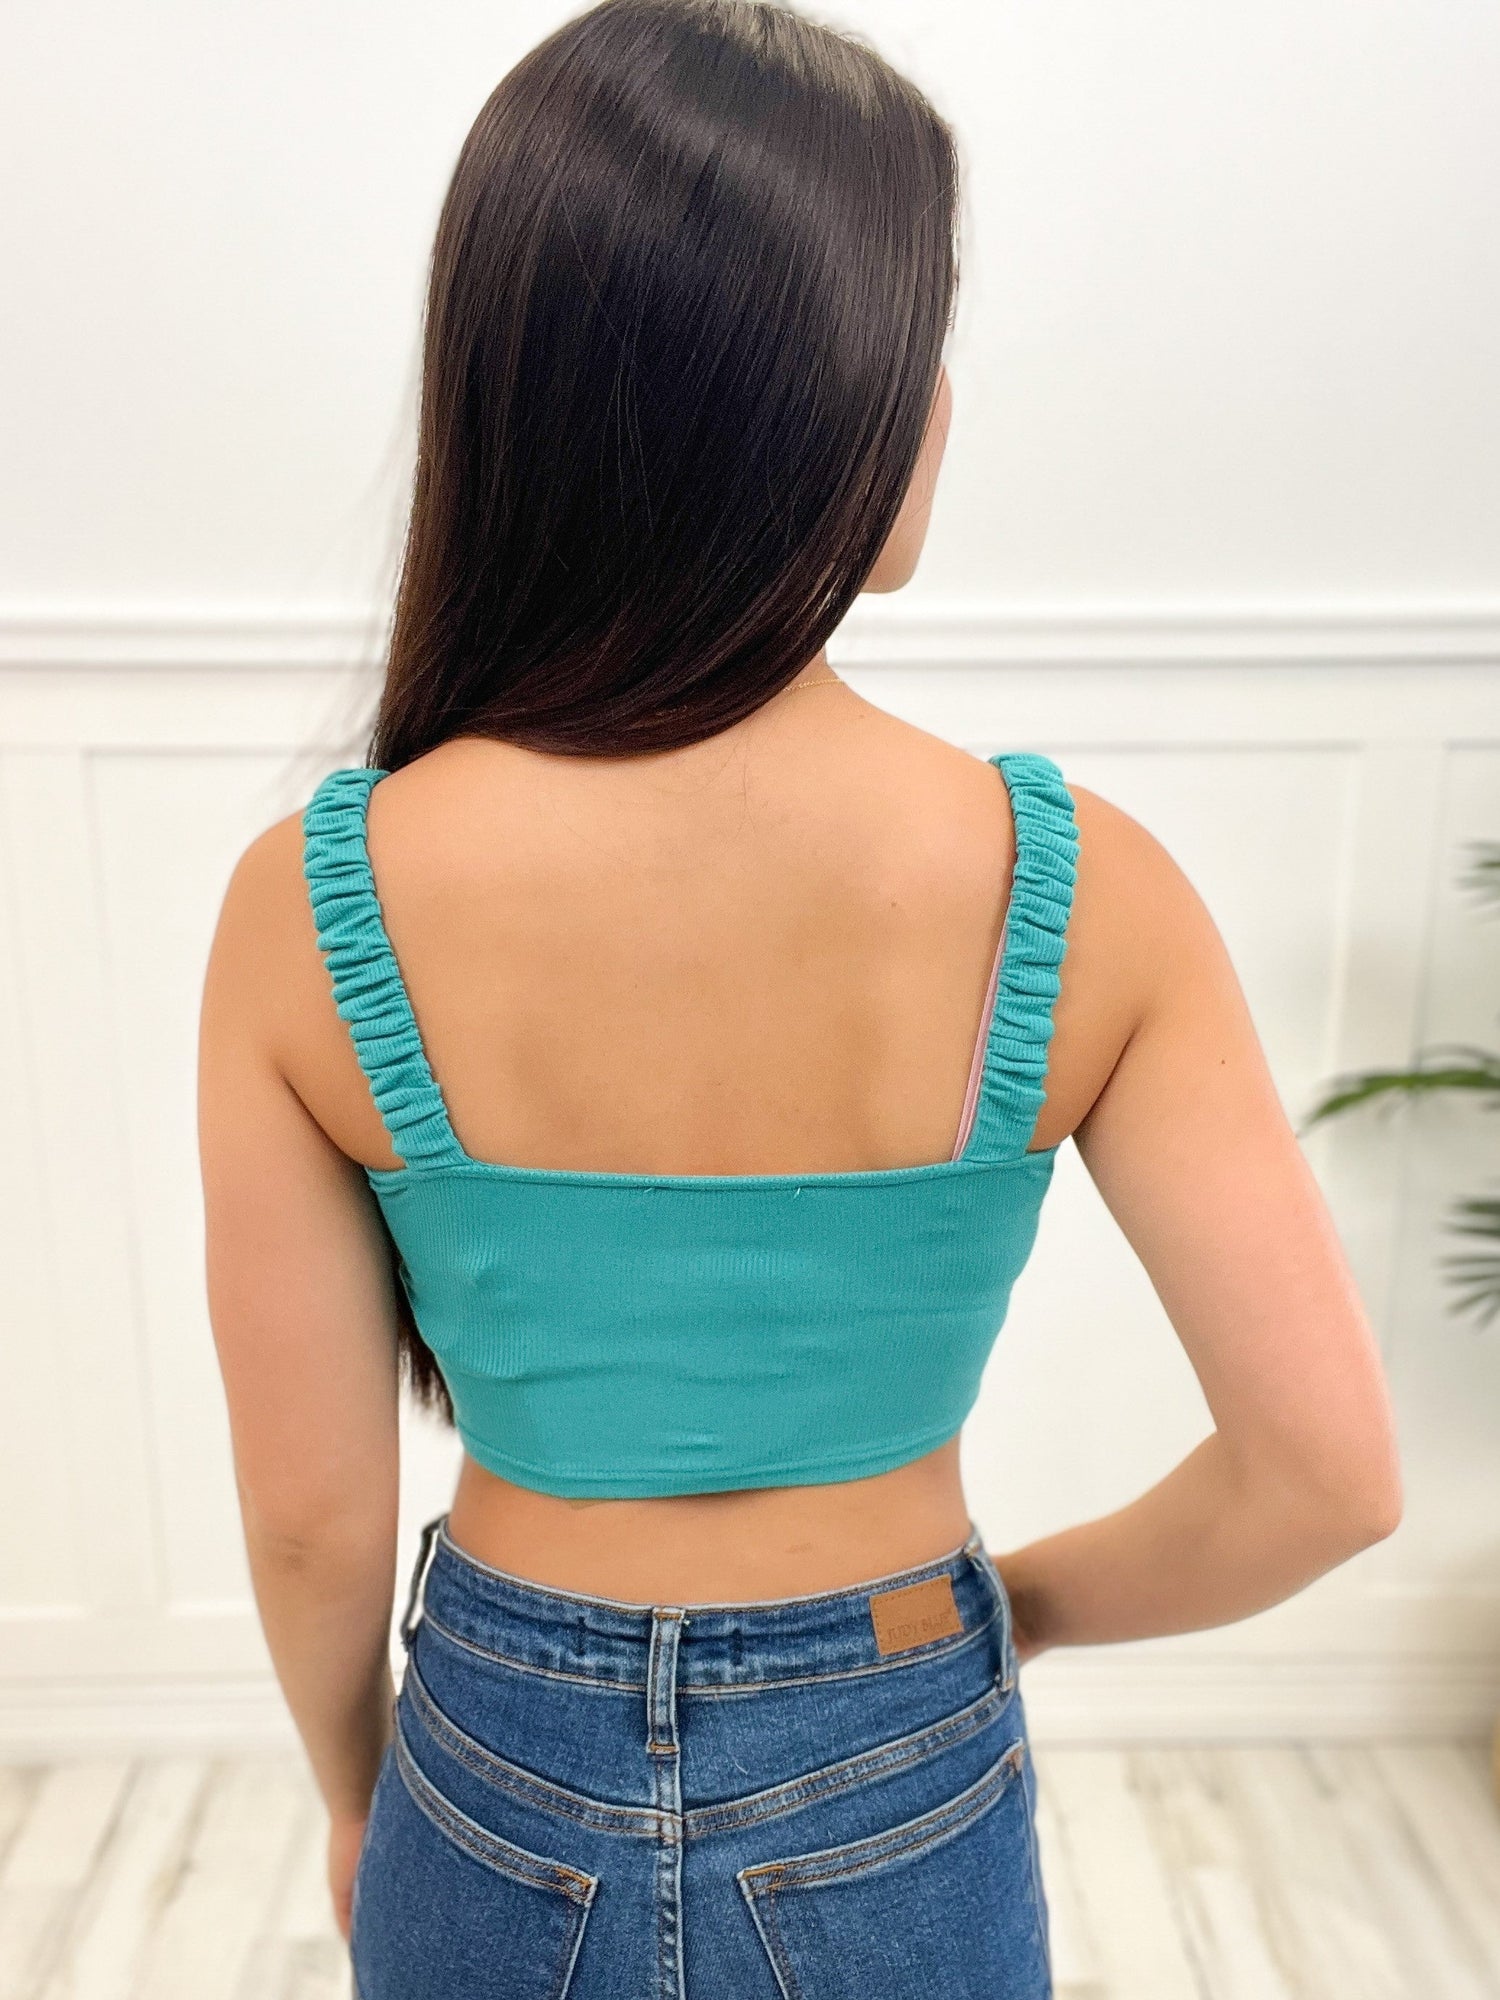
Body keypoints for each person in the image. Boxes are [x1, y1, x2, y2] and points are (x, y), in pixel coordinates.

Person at [196, 2, 1403, 1994]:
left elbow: (315, 1525)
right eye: (920, 336)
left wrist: (357, 1794)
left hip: (492, 1746)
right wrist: (1011, 1613)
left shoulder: (316, 903)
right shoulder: (1079, 889)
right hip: (899, 1714)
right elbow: (1329, 1479)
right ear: (825, 401)